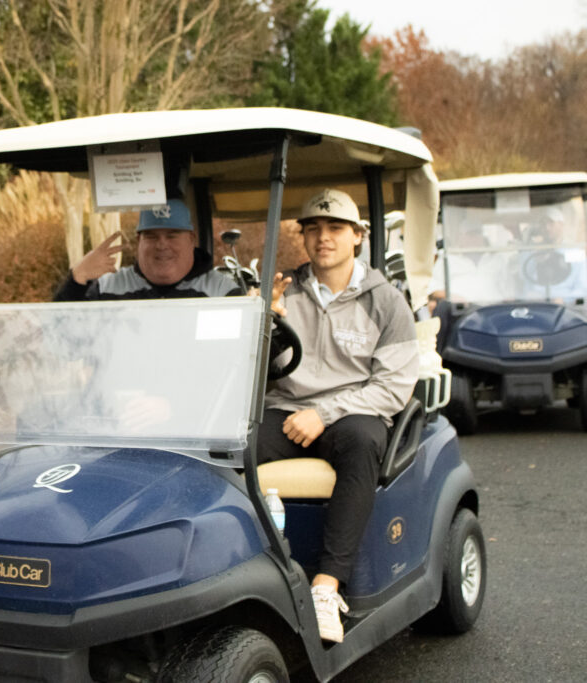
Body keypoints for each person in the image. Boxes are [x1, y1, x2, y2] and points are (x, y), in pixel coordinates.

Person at [258, 188, 419, 643]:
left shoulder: (385, 301)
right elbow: (256, 375)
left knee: (364, 443)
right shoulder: (282, 291)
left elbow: (392, 387)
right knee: (232, 446)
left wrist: (324, 412)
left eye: (334, 229)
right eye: (313, 229)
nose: (322, 238)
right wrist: (264, 324)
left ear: (357, 237)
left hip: (355, 411)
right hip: (288, 409)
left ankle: (328, 585)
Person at [53, 198, 242, 301]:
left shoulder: (222, 292)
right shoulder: (106, 289)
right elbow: (64, 348)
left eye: (172, 235)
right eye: (151, 236)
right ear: (138, 241)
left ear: (191, 239)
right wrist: (77, 279)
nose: (161, 244)